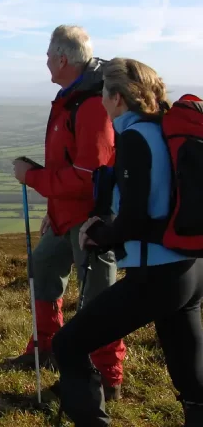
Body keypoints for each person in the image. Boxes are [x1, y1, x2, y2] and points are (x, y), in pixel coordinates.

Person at [52, 58, 203, 426]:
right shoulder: (164, 132)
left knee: (68, 344)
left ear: (117, 98)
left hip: (157, 275)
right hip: (192, 269)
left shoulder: (135, 138)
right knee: (191, 377)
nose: (100, 101)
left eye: (103, 93)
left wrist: (97, 236)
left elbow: (135, 219)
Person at [9, 25, 126, 400]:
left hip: (92, 221)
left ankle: (106, 378)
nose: (44, 60)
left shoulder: (91, 105)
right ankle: (46, 350)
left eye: (48, 54)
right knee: (41, 265)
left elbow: (86, 178)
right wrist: (53, 206)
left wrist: (33, 178)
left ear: (62, 58)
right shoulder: (70, 99)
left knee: (98, 296)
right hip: (64, 217)